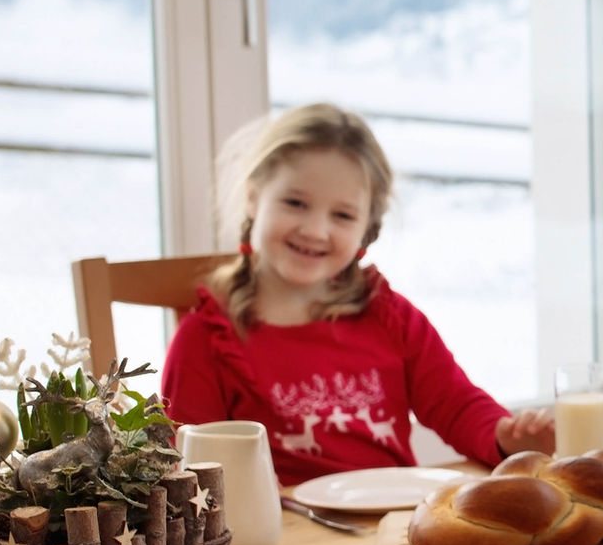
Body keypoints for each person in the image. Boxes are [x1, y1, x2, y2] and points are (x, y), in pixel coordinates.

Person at [161, 102, 553, 484]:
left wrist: (506, 437)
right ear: (253, 196)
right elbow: (190, 474)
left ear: (367, 229)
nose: (315, 230)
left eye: (342, 215)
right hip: (289, 543)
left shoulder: (390, 317)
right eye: (295, 203)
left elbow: (455, 404)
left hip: (399, 526)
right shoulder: (206, 341)